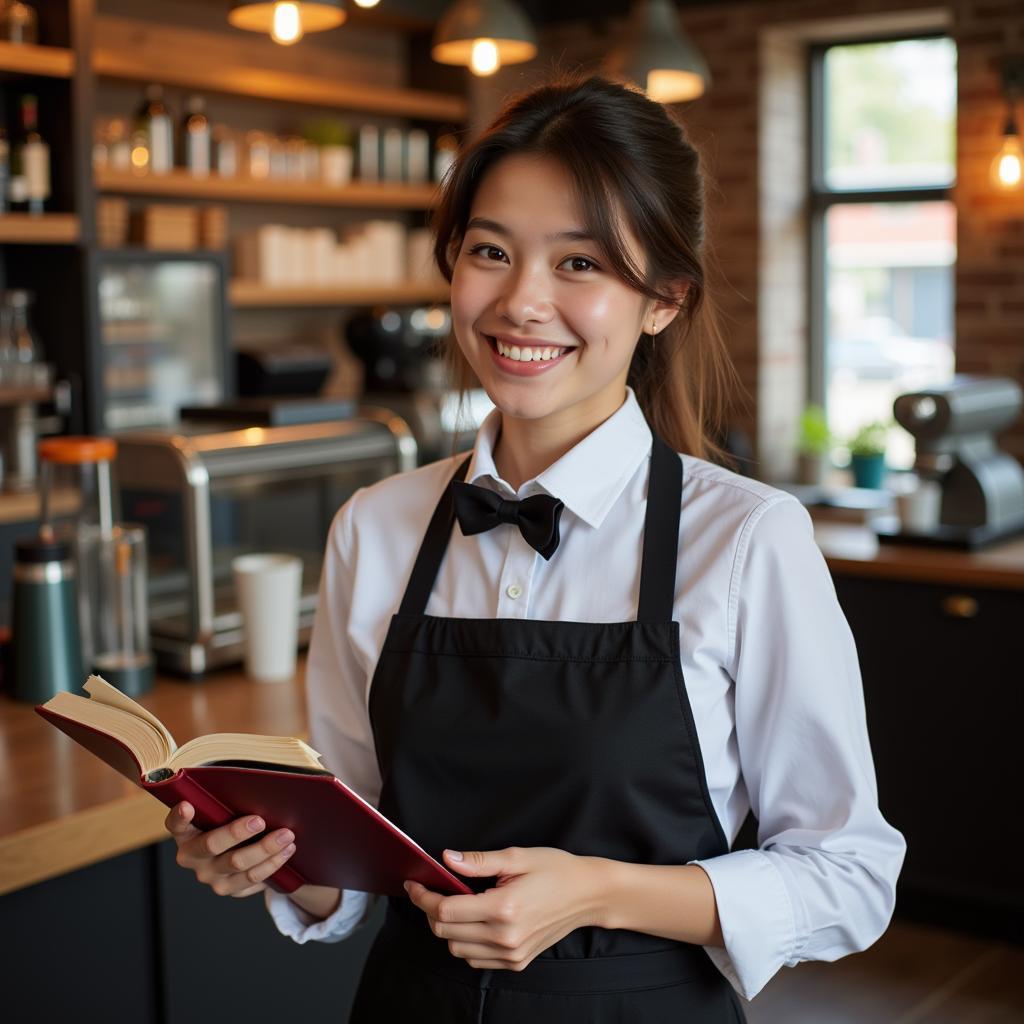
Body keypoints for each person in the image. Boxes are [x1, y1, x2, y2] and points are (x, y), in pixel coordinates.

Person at [165, 74, 906, 1022]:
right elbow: (358, 867)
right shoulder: (375, 525)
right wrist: (275, 863)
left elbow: (850, 875)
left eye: (580, 264)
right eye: (491, 251)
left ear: (665, 299)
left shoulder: (748, 539)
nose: (521, 302)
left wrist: (599, 891)